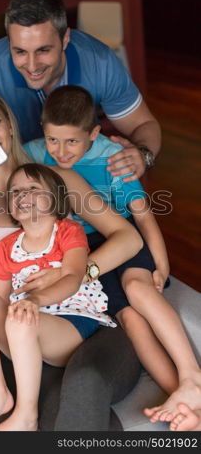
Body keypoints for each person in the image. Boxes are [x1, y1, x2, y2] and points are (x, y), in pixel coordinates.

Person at [0, 84, 143, 430]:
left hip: (88, 324)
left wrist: (76, 274)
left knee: (85, 387)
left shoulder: (57, 182)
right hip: (21, 340)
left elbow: (128, 237)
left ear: (10, 126)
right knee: (68, 417)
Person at [24, 84, 201, 427]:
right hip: (85, 250)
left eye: (72, 141)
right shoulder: (33, 152)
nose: (60, 152)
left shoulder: (111, 157)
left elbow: (143, 215)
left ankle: (192, 374)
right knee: (130, 319)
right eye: (52, 140)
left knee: (138, 289)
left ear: (94, 132)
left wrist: (162, 263)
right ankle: (184, 400)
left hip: (123, 234)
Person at [0, 0, 161, 182]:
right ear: (8, 43)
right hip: (19, 185)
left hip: (84, 180)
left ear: (65, 39)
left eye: (43, 50)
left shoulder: (99, 62)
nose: (32, 66)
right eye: (20, 51)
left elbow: (144, 124)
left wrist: (143, 154)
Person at [0, 163, 117, 431]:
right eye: (16, 191)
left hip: (70, 324)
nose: (23, 195)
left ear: (55, 198)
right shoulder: (6, 247)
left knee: (21, 317)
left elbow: (72, 276)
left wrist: (35, 300)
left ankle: (26, 416)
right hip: (23, 332)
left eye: (33, 188)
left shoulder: (68, 231)